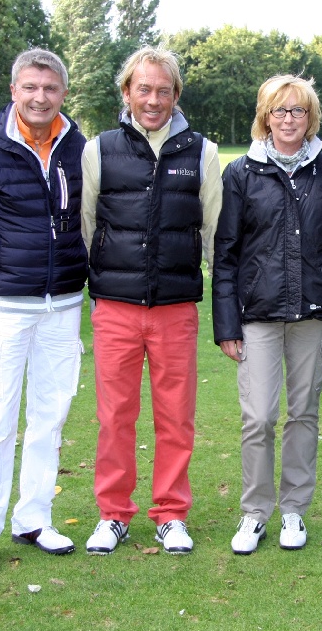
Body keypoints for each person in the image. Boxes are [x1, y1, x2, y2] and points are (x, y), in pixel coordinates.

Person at [0, 48, 87, 575]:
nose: (39, 97)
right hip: (2, 306)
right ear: (14, 91)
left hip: (63, 304)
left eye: (49, 88)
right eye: (30, 87)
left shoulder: (79, 148)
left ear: (63, 93)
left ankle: (34, 519)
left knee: (50, 418)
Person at [80, 46, 221, 555]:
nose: (153, 99)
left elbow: (214, 234)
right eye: (144, 89)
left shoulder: (202, 152)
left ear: (176, 94)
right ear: (127, 92)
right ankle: (113, 514)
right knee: (115, 416)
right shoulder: (99, 150)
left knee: (175, 416)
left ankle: (171, 514)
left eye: (163, 90)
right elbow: (87, 227)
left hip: (175, 308)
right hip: (115, 308)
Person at [212, 75, 322, 555]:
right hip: (258, 314)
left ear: (311, 117)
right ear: (265, 116)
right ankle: (254, 513)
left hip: (314, 312)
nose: (289, 119)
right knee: (259, 417)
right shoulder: (241, 172)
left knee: (303, 413)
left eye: (298, 110)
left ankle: (294, 510)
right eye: (279, 110)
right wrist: (226, 325)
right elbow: (225, 252)